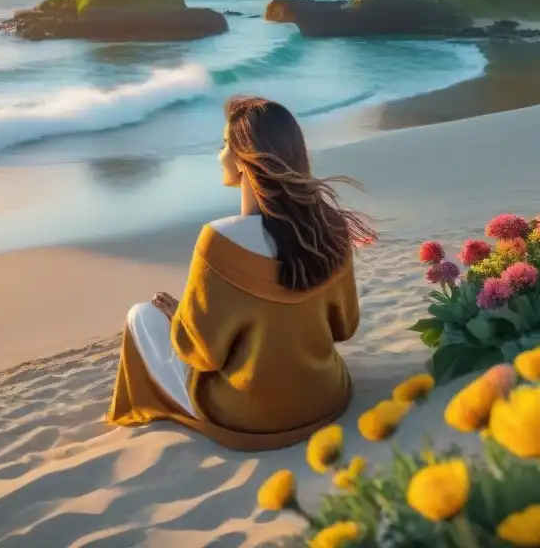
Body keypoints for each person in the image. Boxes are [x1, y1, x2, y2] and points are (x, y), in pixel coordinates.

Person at [106, 95, 375, 451]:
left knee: (140, 315)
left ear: (244, 160)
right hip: (327, 397)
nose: (219, 156)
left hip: (247, 417)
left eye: (224, 146)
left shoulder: (219, 240)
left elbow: (203, 355)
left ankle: (131, 417)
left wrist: (179, 318)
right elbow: (345, 327)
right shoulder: (331, 229)